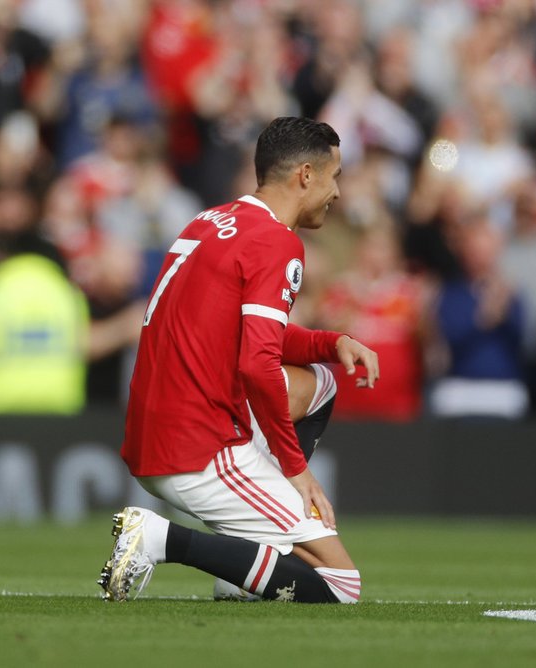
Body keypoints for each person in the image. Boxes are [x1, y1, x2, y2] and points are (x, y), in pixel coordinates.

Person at [98, 116, 379, 604]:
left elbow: (246, 335)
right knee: (341, 585)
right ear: (306, 176)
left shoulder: (209, 221)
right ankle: (162, 540)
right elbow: (256, 364)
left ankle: (248, 564)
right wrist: (297, 471)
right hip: (199, 446)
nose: (337, 192)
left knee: (323, 383)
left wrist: (331, 344)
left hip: (154, 429)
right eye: (334, 176)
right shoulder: (278, 243)